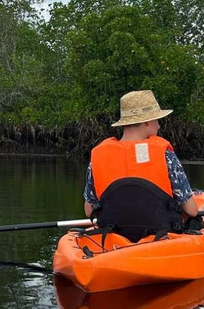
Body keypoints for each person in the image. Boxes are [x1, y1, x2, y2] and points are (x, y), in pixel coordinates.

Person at [83, 90, 197, 241]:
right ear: (147, 122)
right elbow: (191, 210)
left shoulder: (98, 155)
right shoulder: (165, 154)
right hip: (161, 236)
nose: (159, 126)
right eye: (157, 120)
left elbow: (89, 210)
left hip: (114, 237)